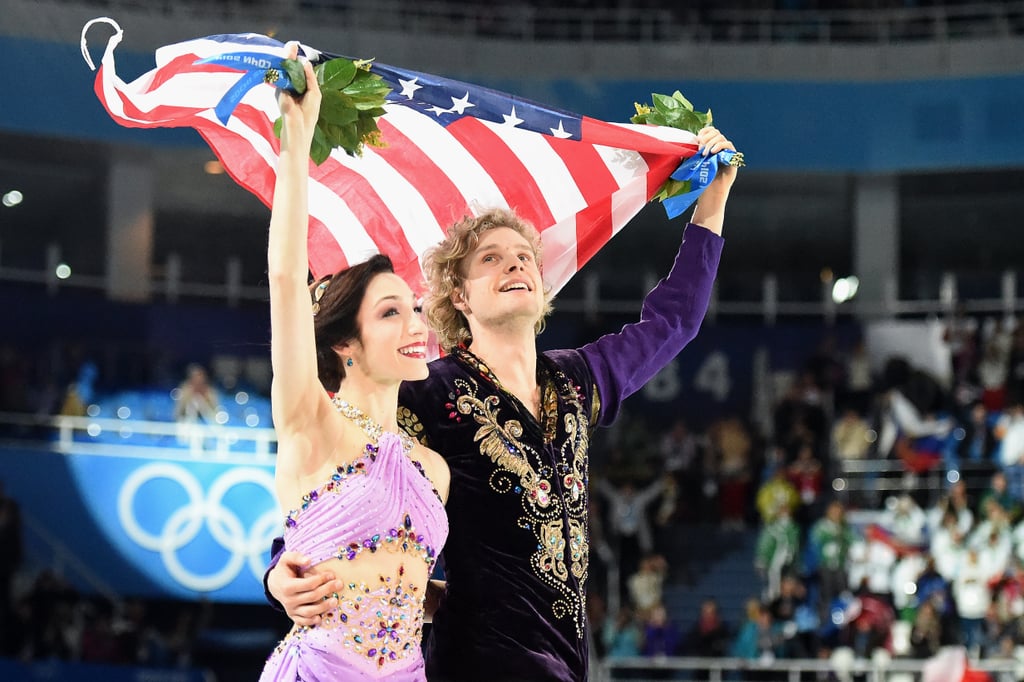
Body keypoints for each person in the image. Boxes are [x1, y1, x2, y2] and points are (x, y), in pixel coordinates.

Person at [266, 122, 739, 680]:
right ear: (458, 296)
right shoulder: (427, 391)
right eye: (491, 258)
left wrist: (712, 204)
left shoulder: (579, 380)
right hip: (475, 663)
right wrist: (279, 570)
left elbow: (675, 321)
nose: (515, 263)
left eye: (524, 256)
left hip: (566, 661)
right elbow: (339, 481)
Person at [257, 44, 449, 681]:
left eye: (416, 310)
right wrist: (297, 139)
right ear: (345, 343)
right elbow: (286, 280)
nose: (416, 325)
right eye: (391, 312)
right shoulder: (310, 421)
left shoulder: (434, 469)